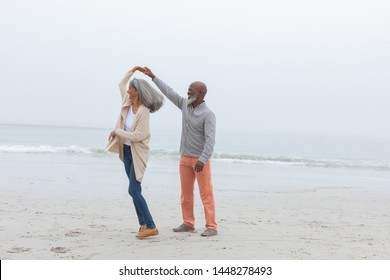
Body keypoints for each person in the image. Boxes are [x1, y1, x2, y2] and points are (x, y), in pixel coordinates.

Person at [143, 67, 218, 237]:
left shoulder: (208, 114)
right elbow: (170, 93)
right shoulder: (185, 105)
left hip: (201, 161)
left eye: (191, 91)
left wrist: (203, 159)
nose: (187, 92)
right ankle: (188, 223)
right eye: (188, 90)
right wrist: (154, 77)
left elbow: (210, 140)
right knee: (185, 194)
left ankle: (211, 226)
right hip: (184, 158)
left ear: (200, 94)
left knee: (206, 194)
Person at [105, 66, 164, 238]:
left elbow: (139, 135)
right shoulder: (127, 103)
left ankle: (151, 225)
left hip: (138, 154)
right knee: (134, 190)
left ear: (137, 92)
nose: (128, 90)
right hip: (126, 151)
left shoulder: (144, 111)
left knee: (133, 190)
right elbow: (121, 83)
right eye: (129, 88)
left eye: (131, 88)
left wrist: (117, 131)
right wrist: (134, 70)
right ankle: (143, 224)